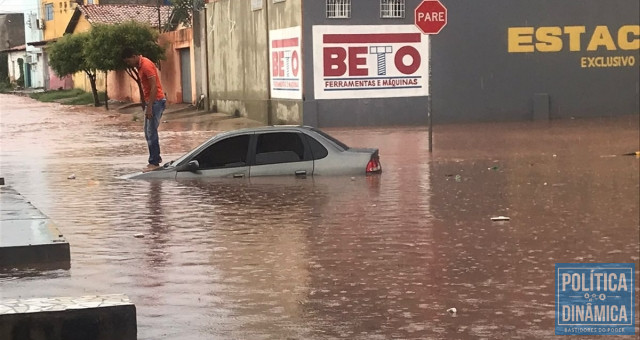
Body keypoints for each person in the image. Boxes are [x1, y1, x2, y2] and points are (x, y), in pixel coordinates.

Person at [121, 47, 166, 172]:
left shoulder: (146, 65)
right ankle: (155, 158)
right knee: (148, 132)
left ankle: (154, 162)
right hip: (151, 102)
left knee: (151, 132)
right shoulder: (140, 66)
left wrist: (150, 107)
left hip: (156, 101)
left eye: (128, 61)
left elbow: (154, 88)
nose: (129, 64)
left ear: (134, 56)